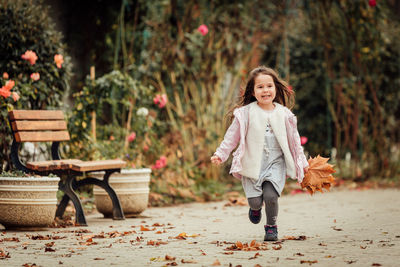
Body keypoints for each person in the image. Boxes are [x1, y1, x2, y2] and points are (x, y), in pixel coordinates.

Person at [210, 66, 309, 241]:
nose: (265, 90)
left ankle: (271, 227)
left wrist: (302, 163)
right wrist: (220, 154)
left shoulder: (284, 114)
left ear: (276, 88)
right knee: (256, 201)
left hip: (275, 163)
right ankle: (255, 208)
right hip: (252, 163)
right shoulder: (245, 114)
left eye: (269, 86)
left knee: (271, 196)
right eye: (260, 87)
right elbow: (231, 137)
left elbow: (294, 141)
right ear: (253, 91)